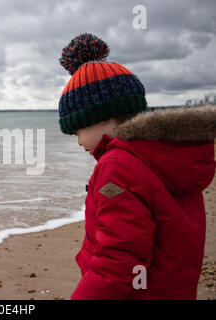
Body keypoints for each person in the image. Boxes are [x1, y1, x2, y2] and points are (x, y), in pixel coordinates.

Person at [57, 33, 216, 299]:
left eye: (77, 131)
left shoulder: (117, 167)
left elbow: (118, 260)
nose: (79, 143)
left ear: (100, 118)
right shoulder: (165, 156)